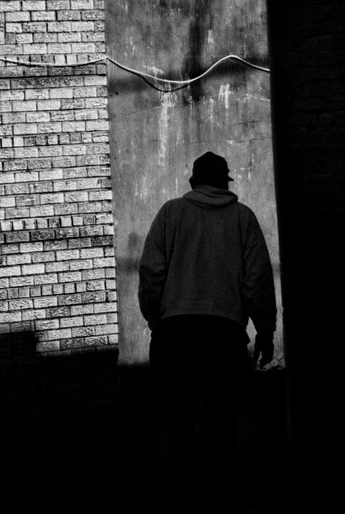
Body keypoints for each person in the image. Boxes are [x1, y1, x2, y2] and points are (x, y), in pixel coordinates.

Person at [138, 151, 276, 513]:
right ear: (224, 183)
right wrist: (265, 331)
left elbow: (151, 271)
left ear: (193, 183)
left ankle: (186, 492)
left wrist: (156, 317)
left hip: (176, 331)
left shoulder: (171, 213)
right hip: (224, 334)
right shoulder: (243, 219)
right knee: (221, 417)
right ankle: (219, 495)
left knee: (180, 416)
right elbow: (258, 280)